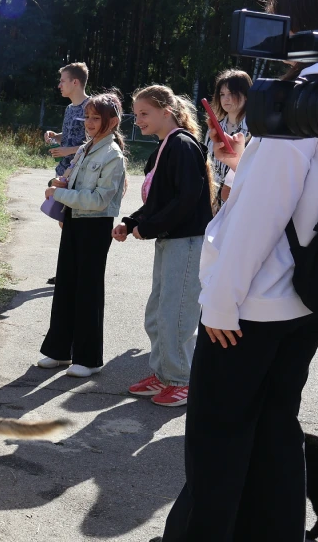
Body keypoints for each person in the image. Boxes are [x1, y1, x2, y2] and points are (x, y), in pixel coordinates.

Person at [158, 0, 318, 542]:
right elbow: (305, 196)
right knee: (276, 432)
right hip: (307, 299)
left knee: (217, 442)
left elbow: (257, 219)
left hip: (253, 307)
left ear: (300, 27)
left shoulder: (302, 101)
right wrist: (241, 162)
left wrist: (220, 305)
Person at [112, 85, 214, 407]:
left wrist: (150, 228)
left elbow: (187, 199)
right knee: (158, 312)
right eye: (136, 113)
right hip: (172, 242)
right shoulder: (164, 147)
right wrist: (131, 223)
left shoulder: (182, 145)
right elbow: (160, 200)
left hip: (186, 243)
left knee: (177, 315)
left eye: (145, 113)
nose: (137, 119)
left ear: (165, 112)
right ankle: (163, 375)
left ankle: (181, 380)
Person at [37, 93, 127, 378]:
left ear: (112, 122)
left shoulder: (113, 155)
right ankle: (59, 351)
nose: (89, 122)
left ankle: (88, 359)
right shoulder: (87, 147)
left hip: (95, 226)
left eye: (95, 118)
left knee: (87, 290)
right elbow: (78, 183)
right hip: (75, 222)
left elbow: (100, 199)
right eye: (87, 117)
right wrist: (62, 182)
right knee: (65, 284)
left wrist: (61, 193)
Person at [44, 62, 90, 284]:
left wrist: (68, 150)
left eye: (63, 80)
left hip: (82, 174)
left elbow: (95, 142)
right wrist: (56, 136)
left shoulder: (93, 107)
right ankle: (67, 270)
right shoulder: (69, 108)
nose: (59, 85)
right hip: (65, 173)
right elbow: (70, 135)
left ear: (75, 82)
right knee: (63, 221)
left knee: (74, 224)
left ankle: (73, 272)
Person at [205, 69, 252, 208]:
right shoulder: (213, 129)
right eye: (222, 94)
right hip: (212, 201)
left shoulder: (256, 131)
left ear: (246, 95)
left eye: (232, 93)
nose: (226, 99)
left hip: (240, 201)